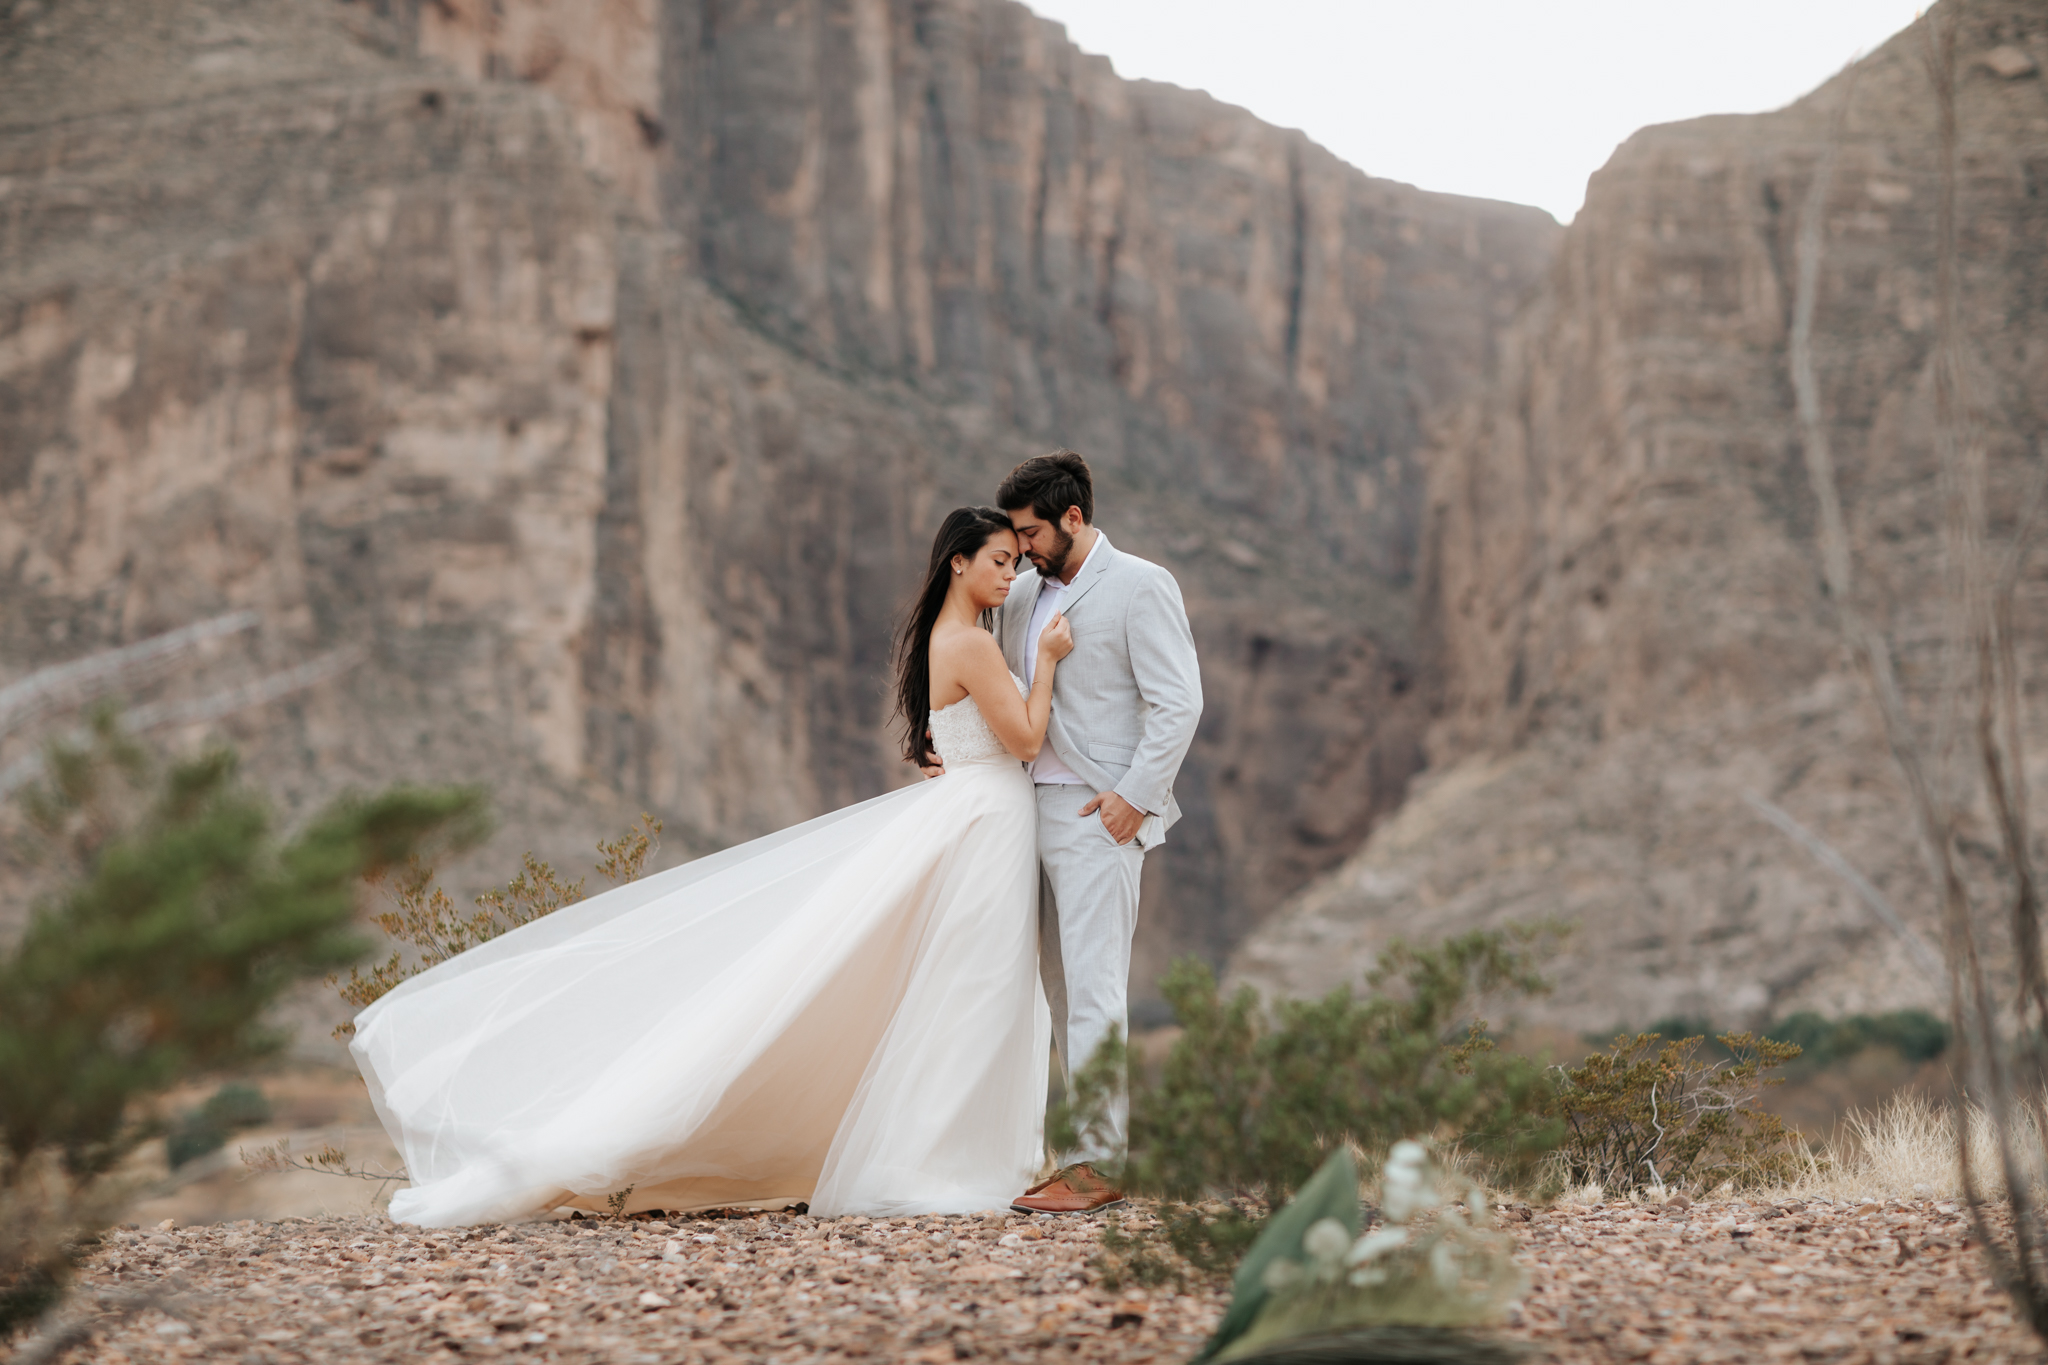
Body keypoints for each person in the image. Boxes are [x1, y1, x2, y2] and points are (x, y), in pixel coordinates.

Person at [351, 507, 1073, 1226]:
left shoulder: (950, 639)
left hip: (978, 817)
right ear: (959, 562)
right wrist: (1045, 660)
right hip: (986, 821)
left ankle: (941, 1152)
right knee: (974, 986)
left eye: (1016, 561)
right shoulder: (974, 646)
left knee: (966, 986)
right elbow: (1025, 737)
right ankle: (940, 1159)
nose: (1011, 574)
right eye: (999, 560)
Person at [996, 450, 1204, 1214]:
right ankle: (1073, 1150)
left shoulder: (1142, 584)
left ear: (1073, 518)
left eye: (1030, 531)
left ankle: (1100, 1160)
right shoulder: (1020, 595)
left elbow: (1178, 704)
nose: (1020, 547)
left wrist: (1134, 798)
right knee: (1052, 989)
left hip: (1096, 817)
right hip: (1022, 814)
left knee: (1094, 987)